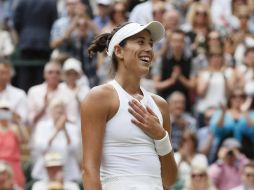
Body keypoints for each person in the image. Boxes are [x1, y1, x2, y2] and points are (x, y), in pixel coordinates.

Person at [81, 21, 177, 190]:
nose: (149, 49)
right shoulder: (99, 98)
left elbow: (169, 180)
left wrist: (161, 136)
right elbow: (90, 171)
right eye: (141, 42)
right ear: (119, 51)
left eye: (151, 44)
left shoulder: (160, 105)